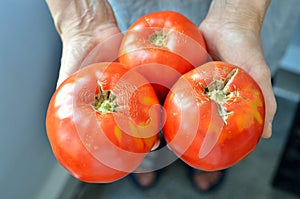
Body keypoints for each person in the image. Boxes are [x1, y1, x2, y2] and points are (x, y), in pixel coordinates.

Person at [46, 0, 298, 193]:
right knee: (146, 142)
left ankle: (200, 159)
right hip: (126, 29)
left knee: (215, 142)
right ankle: (151, 158)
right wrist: (81, 20)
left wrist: (238, 17)